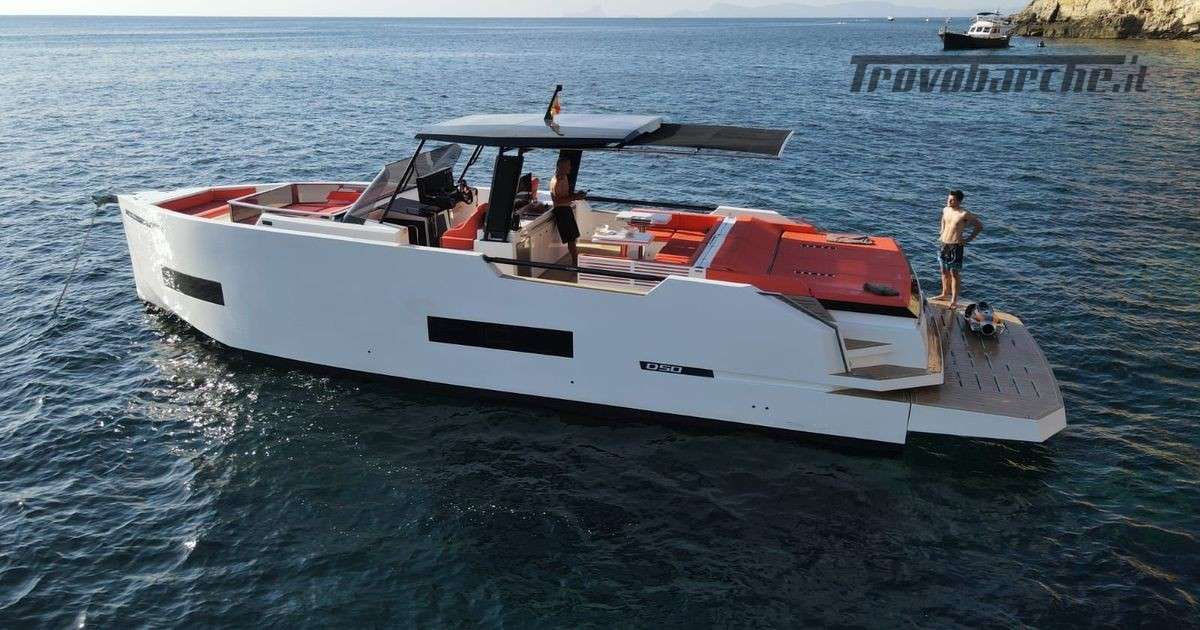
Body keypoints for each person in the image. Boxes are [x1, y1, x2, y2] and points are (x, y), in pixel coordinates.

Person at [933, 189, 983, 309]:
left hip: (956, 245)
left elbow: (979, 226)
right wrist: (942, 230)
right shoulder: (945, 209)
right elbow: (943, 220)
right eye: (949, 199)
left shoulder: (964, 214)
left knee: (954, 273)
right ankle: (944, 293)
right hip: (943, 244)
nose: (949, 201)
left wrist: (968, 239)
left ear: (959, 201)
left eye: (952, 200)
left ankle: (954, 299)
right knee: (943, 271)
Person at [550, 156, 585, 263]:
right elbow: (557, 200)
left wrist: (576, 195)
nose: (570, 167)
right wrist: (575, 197)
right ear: (561, 166)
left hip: (566, 209)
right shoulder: (557, 181)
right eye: (568, 165)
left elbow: (565, 194)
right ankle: (575, 262)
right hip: (561, 211)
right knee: (571, 239)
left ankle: (576, 261)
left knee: (573, 237)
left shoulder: (564, 177)